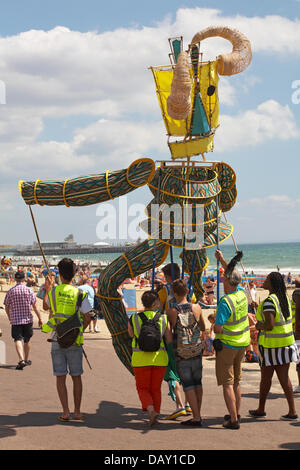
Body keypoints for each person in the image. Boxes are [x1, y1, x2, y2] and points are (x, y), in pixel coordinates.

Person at [41, 258, 92, 422]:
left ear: (59, 274)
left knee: (60, 377)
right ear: (75, 273)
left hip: (56, 339)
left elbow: (45, 307)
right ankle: (77, 412)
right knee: (76, 376)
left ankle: (65, 412)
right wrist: (79, 331)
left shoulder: (54, 292)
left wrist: (48, 288)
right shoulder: (79, 293)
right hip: (75, 341)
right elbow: (88, 317)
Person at [249, 272, 299, 421]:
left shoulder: (270, 300)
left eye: (267, 279)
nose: (264, 281)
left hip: (271, 346)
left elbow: (269, 325)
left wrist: (258, 325)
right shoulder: (284, 299)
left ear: (272, 284)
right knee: (284, 379)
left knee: (266, 379)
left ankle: (261, 409)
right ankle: (292, 411)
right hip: (285, 344)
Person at [214, 250, 250, 430]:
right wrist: (222, 259)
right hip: (242, 343)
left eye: (223, 277)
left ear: (227, 281)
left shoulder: (225, 302)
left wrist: (213, 323)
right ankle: (236, 412)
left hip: (227, 345)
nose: (222, 278)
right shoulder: (241, 293)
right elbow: (233, 273)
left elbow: (218, 328)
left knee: (227, 383)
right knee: (236, 381)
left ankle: (233, 419)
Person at [128, 290, 173, 426]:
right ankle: (156, 413)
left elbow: (131, 335)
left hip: (140, 359)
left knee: (142, 388)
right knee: (156, 388)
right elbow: (169, 338)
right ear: (155, 303)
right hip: (160, 359)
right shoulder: (163, 318)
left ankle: (150, 409)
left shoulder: (134, 318)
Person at [167, 279, 206, 426]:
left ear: (174, 293)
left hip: (182, 352)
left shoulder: (172, 311)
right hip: (196, 349)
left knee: (188, 384)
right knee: (198, 382)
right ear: (188, 291)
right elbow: (202, 326)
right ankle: (198, 413)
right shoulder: (196, 307)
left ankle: (196, 418)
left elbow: (170, 331)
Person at [4, 271, 42, 370]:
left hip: (16, 320)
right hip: (28, 319)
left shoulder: (11, 291)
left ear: (15, 279)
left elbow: (6, 306)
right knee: (27, 340)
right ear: (24, 279)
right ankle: (26, 359)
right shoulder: (29, 291)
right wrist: (40, 318)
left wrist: (9, 317)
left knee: (17, 339)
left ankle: (21, 360)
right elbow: (35, 306)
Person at [291, 276, 300, 393]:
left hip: (298, 331)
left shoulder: (297, 293)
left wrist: (297, 330)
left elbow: (298, 312)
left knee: (299, 360)